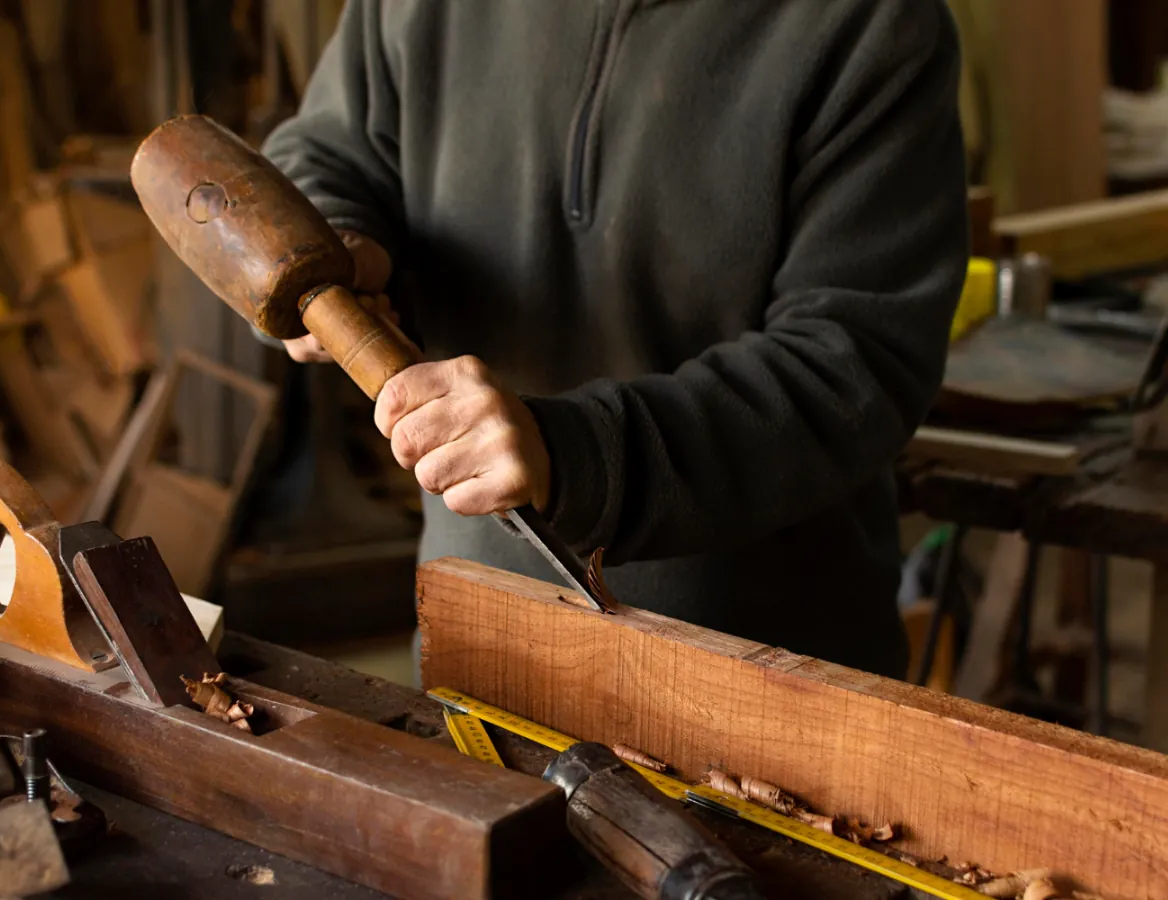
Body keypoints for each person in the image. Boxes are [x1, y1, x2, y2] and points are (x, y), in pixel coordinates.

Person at [259, 0, 970, 679]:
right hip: (480, 635)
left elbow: (854, 365)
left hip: (766, 675)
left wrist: (573, 455)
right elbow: (327, 154)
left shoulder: (873, 24)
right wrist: (334, 244)